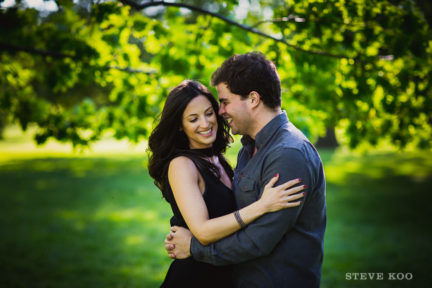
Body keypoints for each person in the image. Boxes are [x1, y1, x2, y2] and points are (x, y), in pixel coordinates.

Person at [165, 52, 327, 288]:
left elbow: (258, 240)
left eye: (225, 102)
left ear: (253, 99)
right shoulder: (248, 149)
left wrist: (193, 247)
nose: (220, 112)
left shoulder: (288, 154)